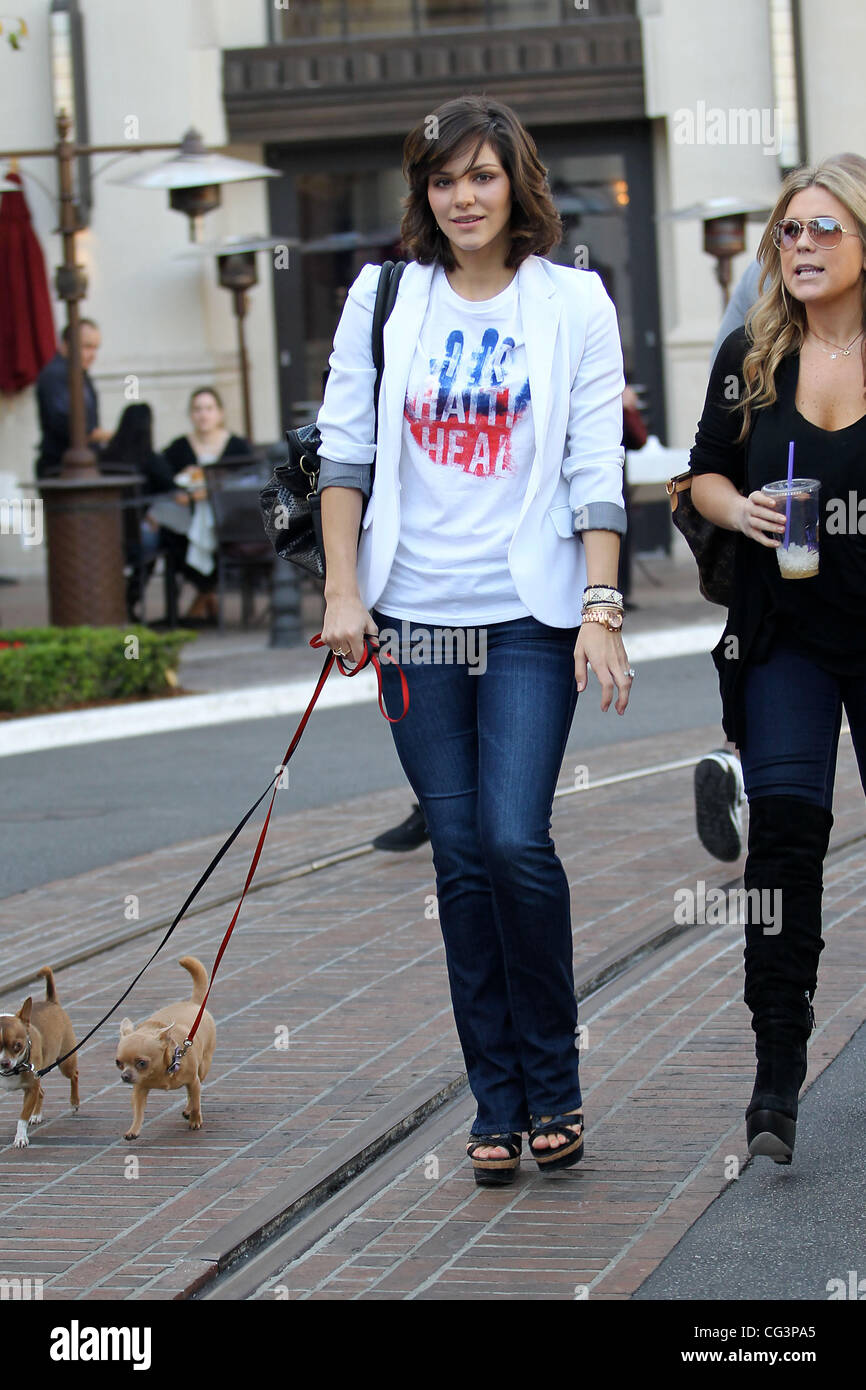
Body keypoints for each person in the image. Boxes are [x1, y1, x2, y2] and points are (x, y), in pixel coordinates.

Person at [315, 95, 633, 1183]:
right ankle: (496, 1101)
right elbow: (344, 453)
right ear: (425, 192)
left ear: (516, 186)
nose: (462, 196)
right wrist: (345, 588)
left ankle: (555, 1080)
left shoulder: (572, 304)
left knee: (511, 839)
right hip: (413, 618)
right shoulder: (384, 297)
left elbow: (596, 465)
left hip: (530, 616)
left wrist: (600, 606)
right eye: (445, 179)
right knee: (457, 859)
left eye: (482, 176)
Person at [689, 152, 866, 1164]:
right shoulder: (750, 358)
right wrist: (739, 507)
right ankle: (773, 1076)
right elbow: (702, 472)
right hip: (783, 634)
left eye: (820, 229)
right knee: (783, 849)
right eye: (786, 232)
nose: (798, 246)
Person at [160, 387, 253, 623]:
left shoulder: (236, 446)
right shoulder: (179, 447)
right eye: (198, 409)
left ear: (220, 413)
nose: (203, 415)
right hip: (188, 517)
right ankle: (206, 593)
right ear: (191, 415)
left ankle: (203, 597)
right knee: (171, 535)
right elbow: (164, 478)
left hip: (227, 520)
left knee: (218, 538)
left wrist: (210, 492)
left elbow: (247, 481)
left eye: (209, 409)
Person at [100, 403, 176, 620]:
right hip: (136, 538)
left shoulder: (104, 458)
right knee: (167, 541)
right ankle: (130, 600)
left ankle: (118, 604)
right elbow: (172, 488)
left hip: (106, 536)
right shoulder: (149, 459)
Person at [35, 318, 112, 479]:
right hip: (62, 468)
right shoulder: (57, 375)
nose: (92, 355)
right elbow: (69, 424)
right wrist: (107, 435)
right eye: (86, 347)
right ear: (65, 344)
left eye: (95, 348)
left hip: (77, 467)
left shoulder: (78, 373)